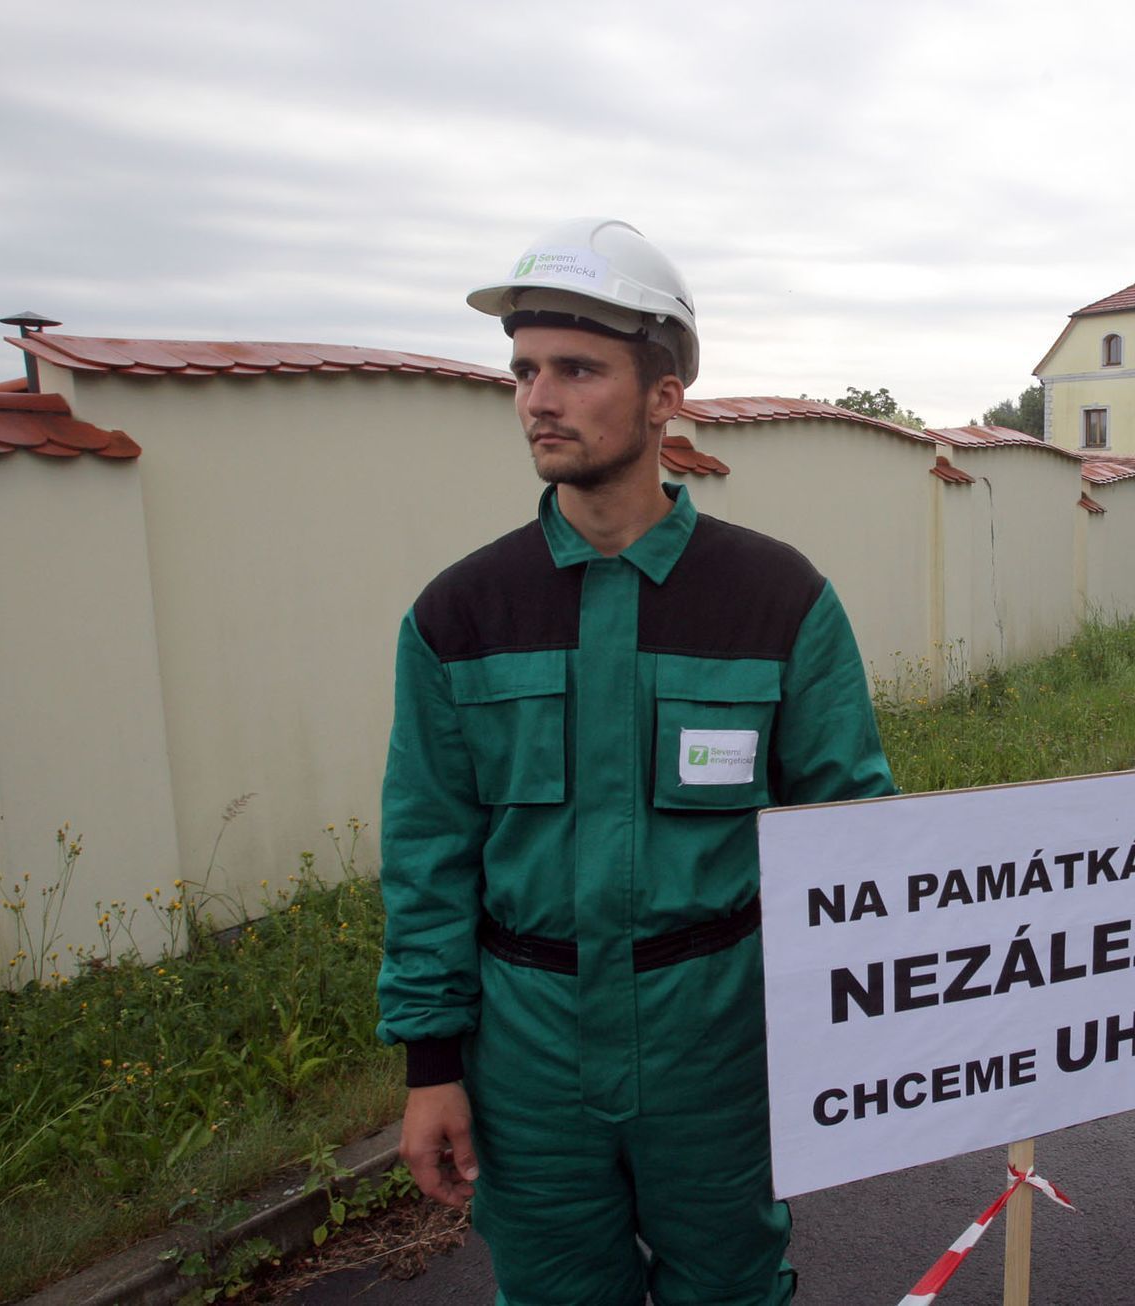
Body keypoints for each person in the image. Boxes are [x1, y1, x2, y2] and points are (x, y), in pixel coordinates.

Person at [376, 217, 895, 1305]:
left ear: (664, 396)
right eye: (523, 371)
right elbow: (429, 852)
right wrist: (430, 1066)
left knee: (734, 1289)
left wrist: (862, 1042)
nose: (538, 398)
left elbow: (851, 836)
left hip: (715, 1042)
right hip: (527, 1056)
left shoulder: (775, 600)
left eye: (576, 368)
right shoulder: (460, 613)